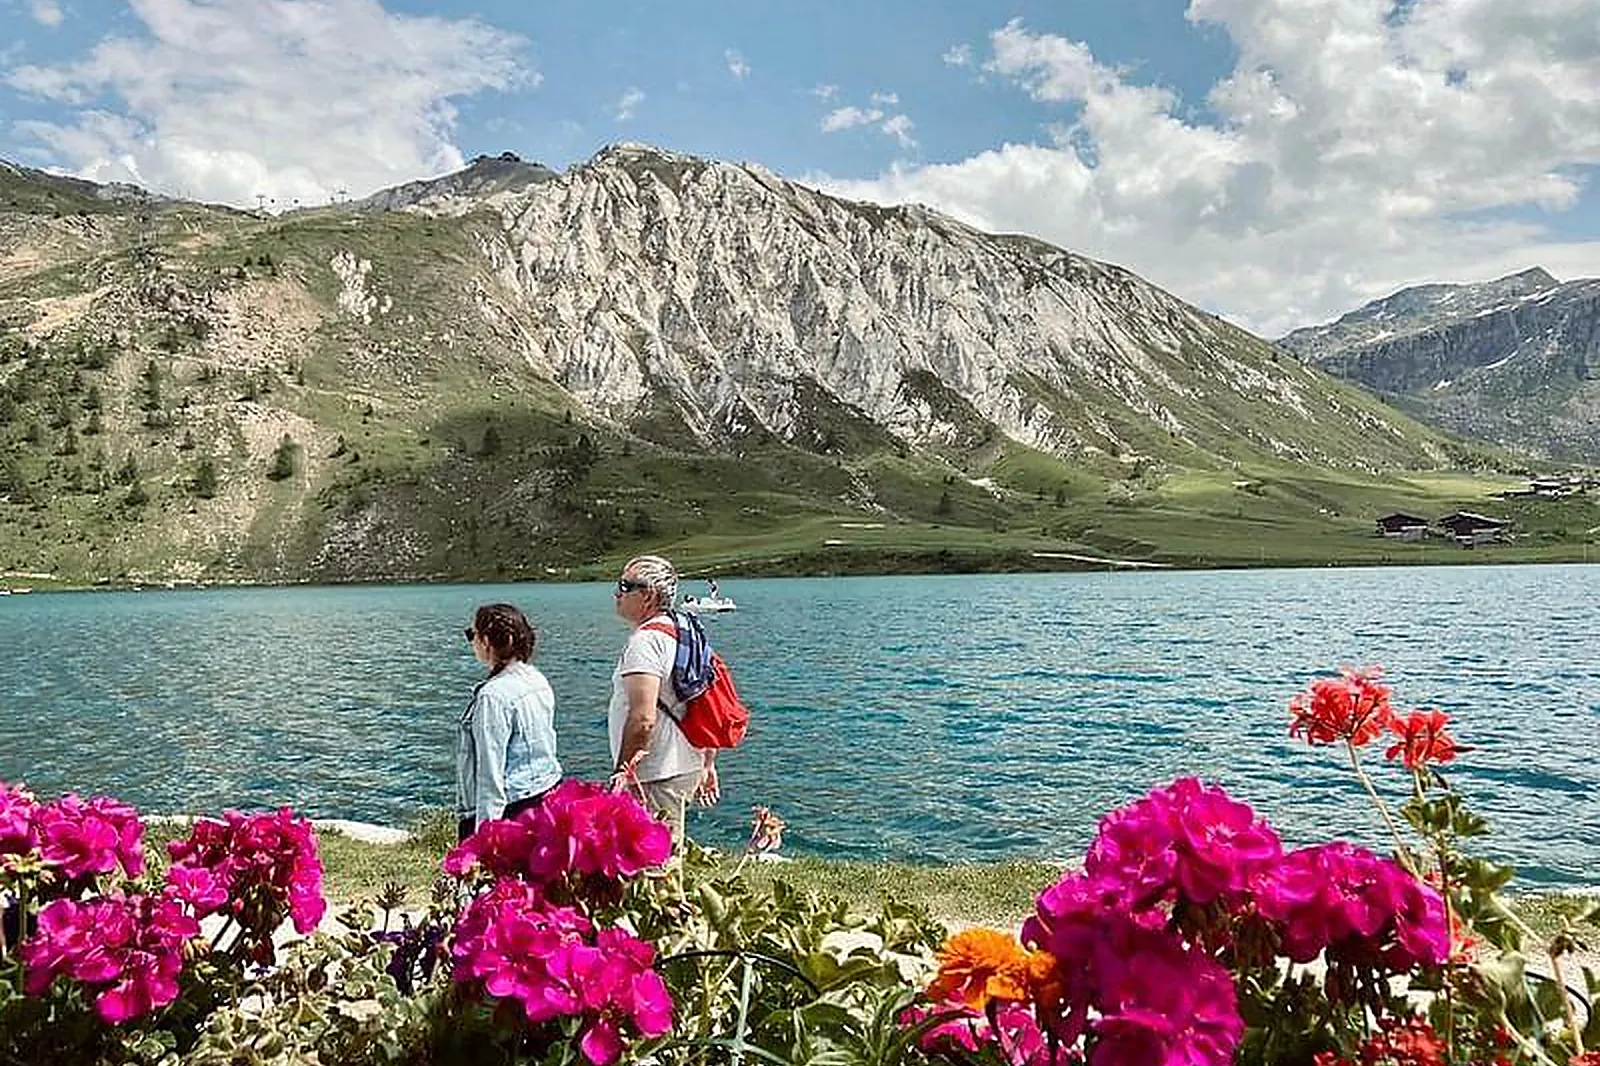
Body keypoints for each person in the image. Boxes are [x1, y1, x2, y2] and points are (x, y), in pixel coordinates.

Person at [607, 555, 717, 845]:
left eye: (624, 585)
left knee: (655, 868)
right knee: (666, 856)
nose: (616, 593)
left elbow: (643, 719)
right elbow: (702, 697)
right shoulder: (682, 632)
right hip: (684, 763)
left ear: (648, 595)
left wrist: (622, 772)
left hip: (656, 773)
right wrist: (707, 762)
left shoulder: (644, 643)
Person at [455, 603, 561, 841]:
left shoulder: (493, 696)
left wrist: (484, 838)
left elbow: (490, 773)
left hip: (511, 809)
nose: (471, 642)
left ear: (487, 642)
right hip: (543, 795)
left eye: (471, 635)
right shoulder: (537, 679)